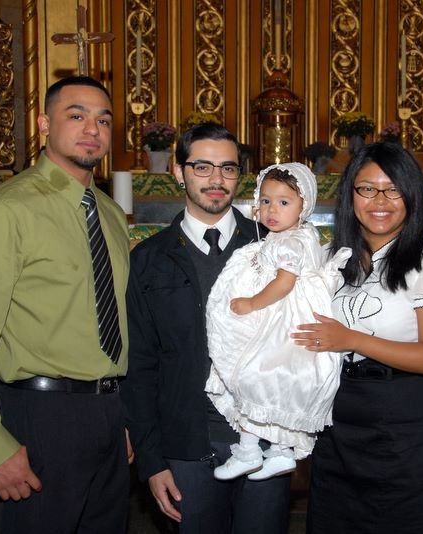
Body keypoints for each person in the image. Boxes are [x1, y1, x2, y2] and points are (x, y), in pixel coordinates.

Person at [0, 76, 131, 532]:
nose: (93, 129)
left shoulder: (109, 214)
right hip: (42, 415)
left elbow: (120, 322)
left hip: (108, 413)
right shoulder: (5, 211)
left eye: (103, 120)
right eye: (77, 115)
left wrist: (125, 417)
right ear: (44, 124)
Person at [121, 124, 292, 533]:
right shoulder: (149, 258)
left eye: (228, 168)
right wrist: (151, 461)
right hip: (186, 443)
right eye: (202, 167)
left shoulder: (273, 246)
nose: (216, 179)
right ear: (178, 172)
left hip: (265, 439)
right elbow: (139, 365)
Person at [292, 142, 423, 532]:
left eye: (393, 189)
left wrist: (352, 339)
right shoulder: (329, 258)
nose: (380, 201)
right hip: (336, 416)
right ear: (350, 195)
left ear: (412, 196)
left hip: (403, 414)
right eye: (367, 189)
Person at [205, 162, 351, 481]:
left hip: (283, 320)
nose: (272, 210)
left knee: (253, 377)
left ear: (303, 207)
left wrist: (251, 303)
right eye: (266, 200)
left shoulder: (289, 242)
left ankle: (249, 451)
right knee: (277, 388)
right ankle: (280, 451)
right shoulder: (299, 235)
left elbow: (284, 283)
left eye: (284, 202)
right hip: (291, 317)